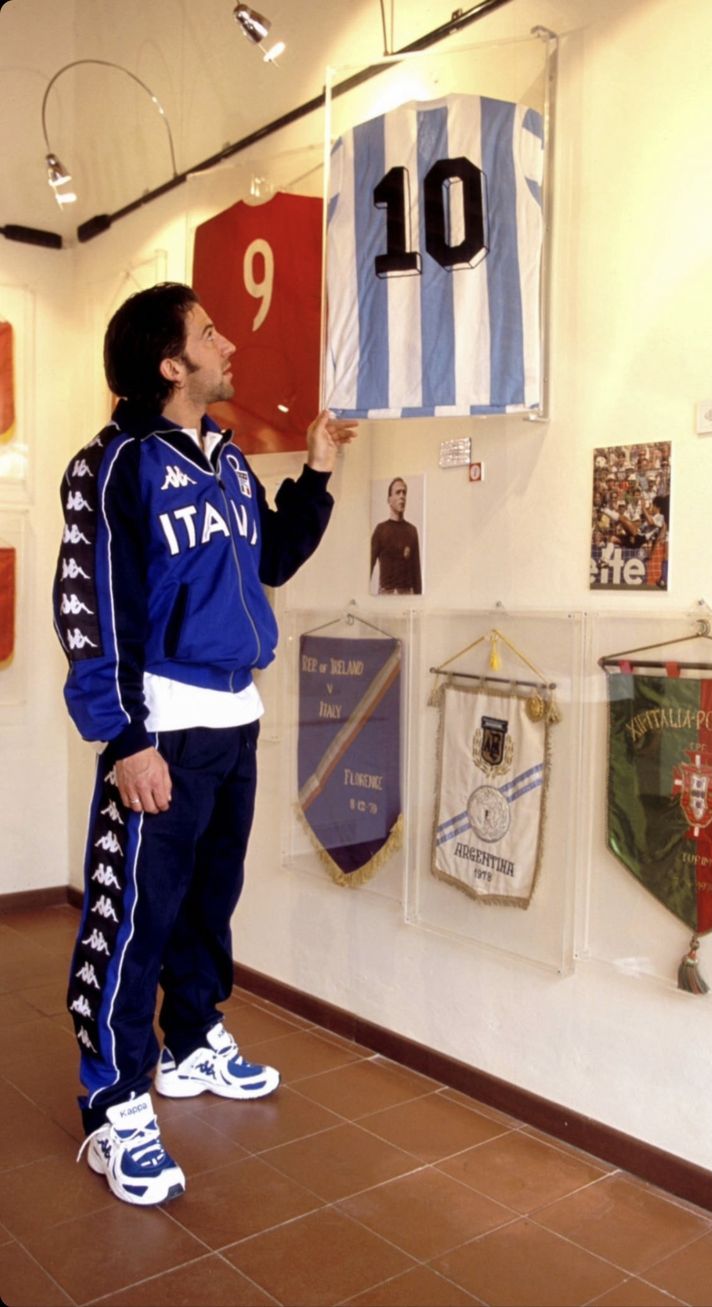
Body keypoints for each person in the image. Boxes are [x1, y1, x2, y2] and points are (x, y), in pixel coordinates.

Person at [52, 282, 357, 1207]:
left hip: (234, 716)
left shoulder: (222, 457)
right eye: (209, 332)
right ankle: (114, 1103)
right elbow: (90, 609)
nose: (229, 342)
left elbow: (266, 559)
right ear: (170, 364)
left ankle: (190, 1041)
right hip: (162, 729)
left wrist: (315, 473)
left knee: (206, 903)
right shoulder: (115, 465)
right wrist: (125, 742)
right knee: (132, 918)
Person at [370, 477, 422, 595]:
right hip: (386, 595)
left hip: (407, 595)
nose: (402, 496)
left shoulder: (412, 531)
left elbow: (416, 574)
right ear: (389, 499)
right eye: (398, 492)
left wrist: (419, 602)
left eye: (404, 492)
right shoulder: (380, 530)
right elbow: (368, 567)